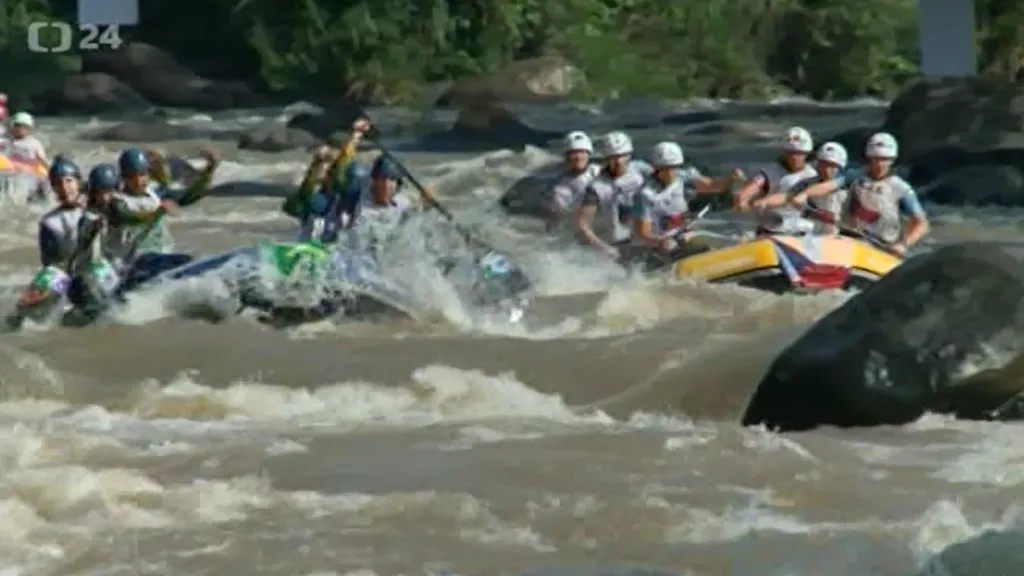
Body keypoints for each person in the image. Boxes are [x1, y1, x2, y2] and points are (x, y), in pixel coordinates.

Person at [107, 146, 220, 288]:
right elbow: (133, 218)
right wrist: (158, 212)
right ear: (123, 177)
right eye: (131, 176)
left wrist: (208, 172)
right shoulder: (116, 201)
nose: (137, 180)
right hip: (133, 265)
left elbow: (188, 197)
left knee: (188, 262)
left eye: (142, 174)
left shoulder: (154, 194)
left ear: (148, 174)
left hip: (159, 259)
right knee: (184, 262)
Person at [631, 142, 740, 263]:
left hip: (685, 234)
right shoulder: (644, 195)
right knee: (703, 250)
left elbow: (711, 185)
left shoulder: (682, 176)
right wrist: (659, 242)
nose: (671, 173)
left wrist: (729, 180)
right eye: (666, 169)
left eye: (675, 167)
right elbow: (642, 233)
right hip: (663, 244)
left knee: (729, 243)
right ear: (657, 168)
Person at [841, 133, 929, 255]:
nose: (879, 164)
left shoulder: (900, 187)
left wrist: (904, 244)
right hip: (850, 239)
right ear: (868, 158)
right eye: (875, 159)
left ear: (892, 160)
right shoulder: (855, 176)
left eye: (884, 159)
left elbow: (921, 223)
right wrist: (805, 194)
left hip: (881, 247)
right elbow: (828, 186)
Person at [575, 131, 645, 260]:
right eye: (613, 157)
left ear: (629, 155)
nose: (618, 161)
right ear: (606, 158)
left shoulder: (641, 170)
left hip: (643, 236)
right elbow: (582, 225)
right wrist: (603, 248)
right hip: (617, 245)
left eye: (622, 155)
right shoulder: (596, 187)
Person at [735, 126, 818, 233]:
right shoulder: (770, 171)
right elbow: (755, 185)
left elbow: (790, 196)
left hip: (800, 230)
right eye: (790, 153)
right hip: (771, 229)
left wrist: (765, 202)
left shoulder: (812, 175)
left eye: (799, 153)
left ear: (807, 153)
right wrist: (743, 197)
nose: (794, 157)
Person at [759, 141, 851, 231]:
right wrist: (764, 201)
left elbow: (828, 187)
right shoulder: (807, 183)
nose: (826, 169)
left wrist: (804, 195)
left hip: (842, 235)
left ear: (840, 168)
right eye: (823, 164)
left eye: (831, 166)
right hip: (815, 232)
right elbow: (787, 196)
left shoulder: (847, 185)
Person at [547, 131, 600, 226]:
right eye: (573, 153)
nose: (578, 157)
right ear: (566, 156)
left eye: (582, 152)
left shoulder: (599, 172)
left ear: (589, 154)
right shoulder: (559, 187)